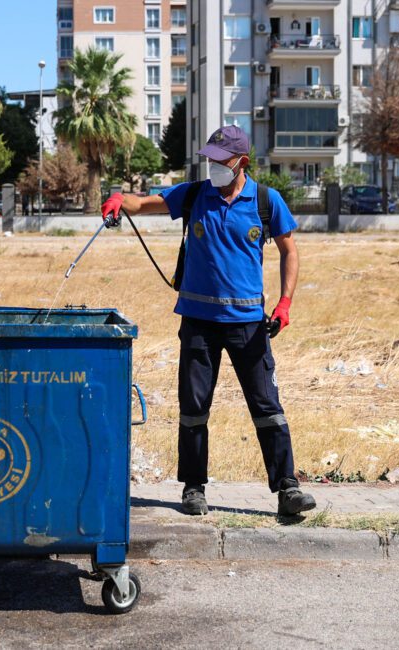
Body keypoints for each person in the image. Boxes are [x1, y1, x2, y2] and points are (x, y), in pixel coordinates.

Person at [101, 125, 316, 518]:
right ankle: (193, 488)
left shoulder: (267, 201)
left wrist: (285, 303)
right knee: (194, 407)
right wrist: (118, 200)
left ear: (242, 162)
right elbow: (144, 204)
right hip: (198, 322)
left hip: (248, 323)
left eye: (221, 161)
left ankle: (287, 488)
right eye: (210, 159)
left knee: (267, 405)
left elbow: (290, 251)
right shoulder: (195, 194)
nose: (213, 166)